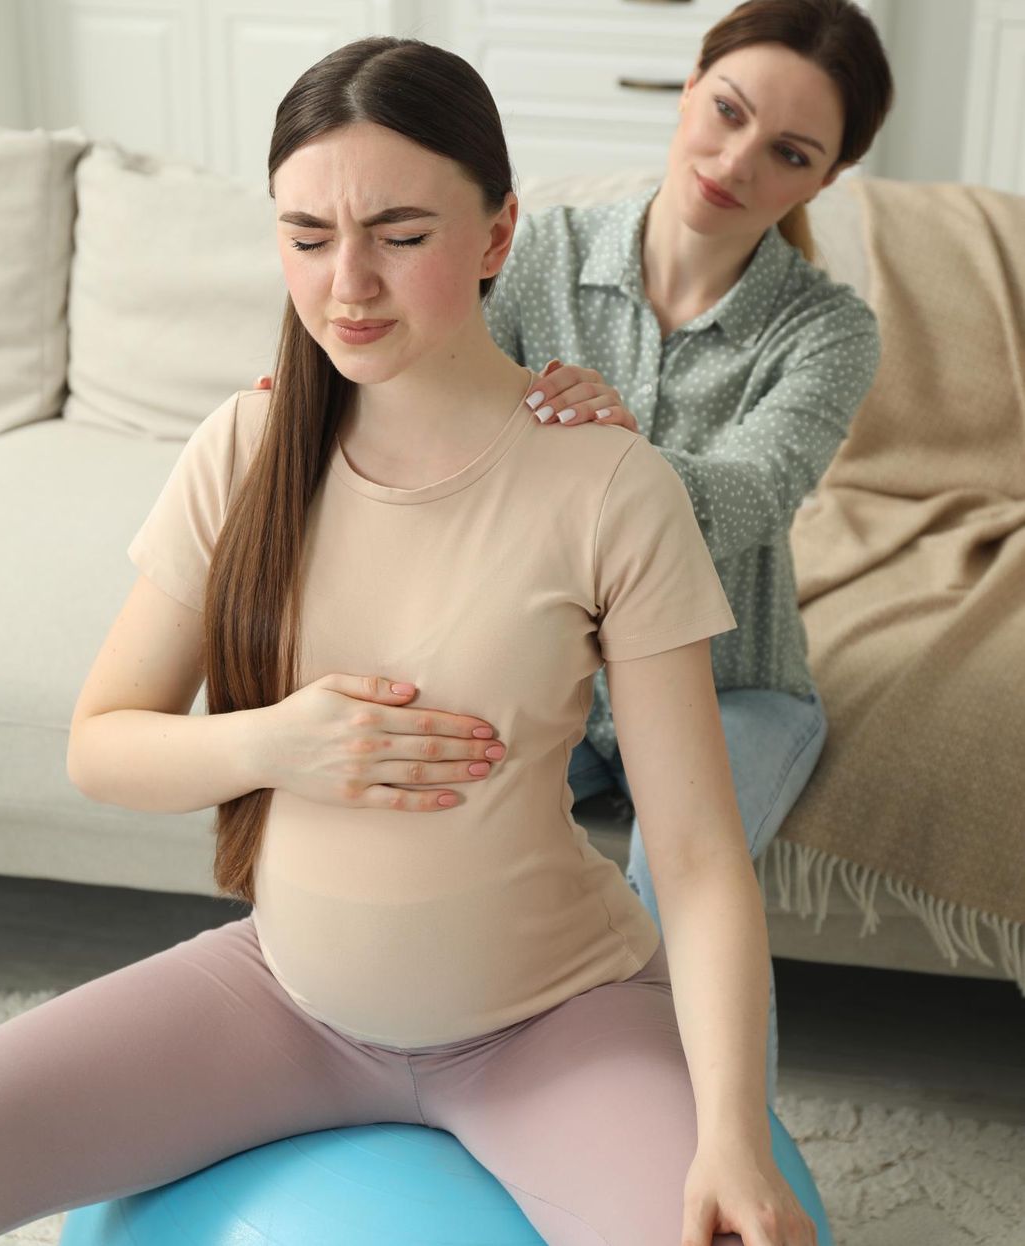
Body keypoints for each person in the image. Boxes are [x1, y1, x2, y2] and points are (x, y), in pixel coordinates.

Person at [0, 33, 819, 1246]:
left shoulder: (607, 486)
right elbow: (103, 744)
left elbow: (694, 858)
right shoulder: (244, 449)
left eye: (401, 234)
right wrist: (285, 742)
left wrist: (733, 1136)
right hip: (283, 1000)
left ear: (496, 237)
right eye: (308, 237)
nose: (348, 287)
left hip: (553, 1024)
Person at [255, 0, 895, 1108]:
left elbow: (752, 493)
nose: (736, 160)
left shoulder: (829, 331)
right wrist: (321, 398)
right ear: (688, 88)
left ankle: (701, 1144)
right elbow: (427, 393)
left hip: (733, 681)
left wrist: (622, 464)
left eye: (789, 151)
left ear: (827, 178)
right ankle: (443, 1083)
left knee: (675, 873)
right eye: (727, 111)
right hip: (545, 657)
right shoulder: (537, 248)